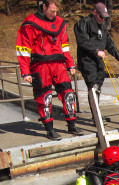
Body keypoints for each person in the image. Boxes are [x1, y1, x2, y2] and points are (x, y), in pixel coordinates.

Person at [16, 0, 83, 140]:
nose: (55, 14)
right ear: (44, 7)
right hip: (40, 65)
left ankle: (72, 125)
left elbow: (64, 45)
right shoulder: (30, 23)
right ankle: (49, 129)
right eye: (52, 11)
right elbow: (23, 48)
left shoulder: (60, 23)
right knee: (44, 98)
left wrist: (70, 64)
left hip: (58, 64)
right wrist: (25, 71)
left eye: (56, 11)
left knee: (68, 94)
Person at [74, 2, 119, 114]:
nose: (102, 19)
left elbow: (109, 44)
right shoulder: (84, 23)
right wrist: (95, 51)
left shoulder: (102, 27)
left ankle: (96, 112)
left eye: (104, 18)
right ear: (95, 12)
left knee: (98, 86)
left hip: (99, 61)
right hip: (87, 60)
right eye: (100, 17)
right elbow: (82, 42)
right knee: (93, 86)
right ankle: (95, 115)